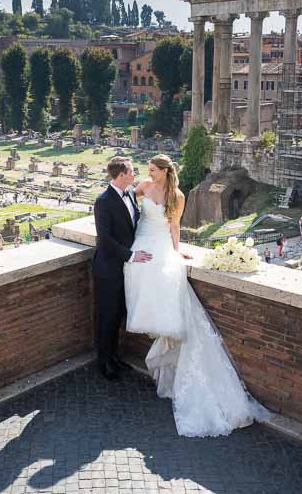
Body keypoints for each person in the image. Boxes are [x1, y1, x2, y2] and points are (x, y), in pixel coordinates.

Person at [123, 153, 269, 437]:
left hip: (160, 241)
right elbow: (126, 199)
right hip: (141, 239)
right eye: (148, 170)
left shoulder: (177, 196)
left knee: (165, 272)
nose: (149, 173)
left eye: (153, 170)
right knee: (138, 269)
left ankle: (164, 325)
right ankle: (151, 322)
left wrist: (176, 251)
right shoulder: (143, 185)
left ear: (165, 171)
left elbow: (174, 226)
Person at [92, 157, 152, 382]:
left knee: (117, 315)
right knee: (106, 317)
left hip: (125, 270)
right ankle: (103, 361)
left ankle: (114, 356)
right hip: (108, 269)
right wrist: (131, 255)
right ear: (121, 175)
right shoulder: (103, 201)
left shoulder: (129, 195)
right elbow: (105, 239)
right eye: (131, 170)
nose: (134, 173)